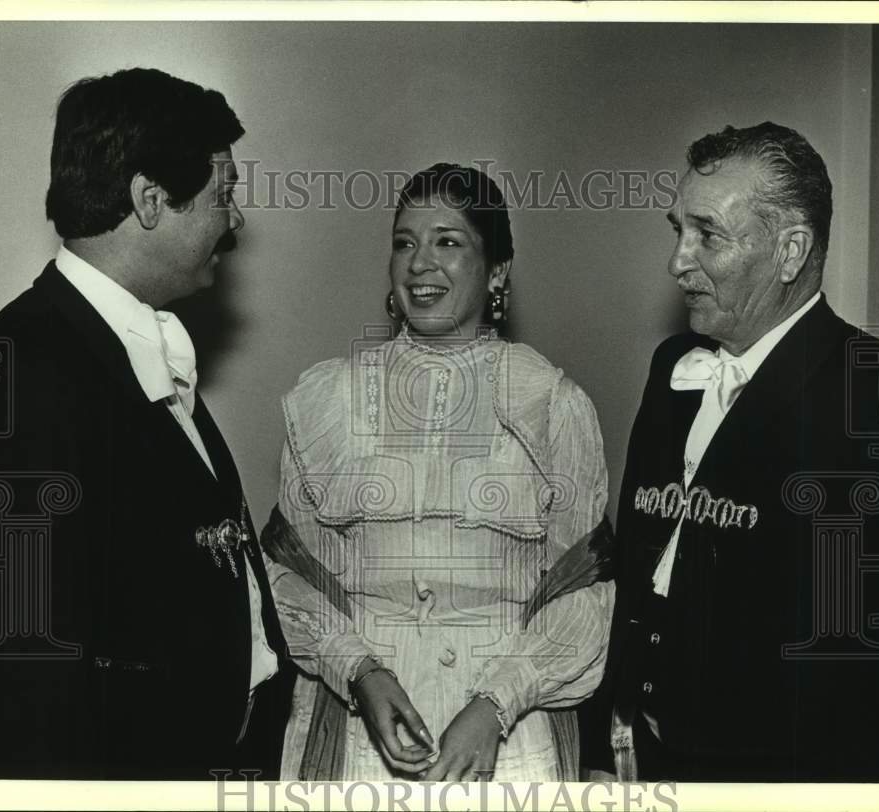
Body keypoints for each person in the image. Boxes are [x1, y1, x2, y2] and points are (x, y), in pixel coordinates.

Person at [0, 67, 293, 779]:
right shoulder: (18, 367)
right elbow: (25, 670)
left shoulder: (129, 340)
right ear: (149, 201)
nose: (233, 221)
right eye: (222, 196)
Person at [261, 163, 615, 781]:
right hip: (357, 738)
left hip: (508, 746)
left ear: (498, 269)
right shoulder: (328, 401)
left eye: (448, 242)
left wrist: (496, 703)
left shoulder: (553, 405)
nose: (419, 264)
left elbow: (583, 594)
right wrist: (359, 671)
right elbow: (290, 578)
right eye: (405, 242)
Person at [599, 122, 879, 781]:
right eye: (677, 229)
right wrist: (605, 742)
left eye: (706, 234)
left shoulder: (878, 394)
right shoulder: (673, 367)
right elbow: (633, 570)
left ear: (790, 252)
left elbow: (868, 659)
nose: (678, 261)